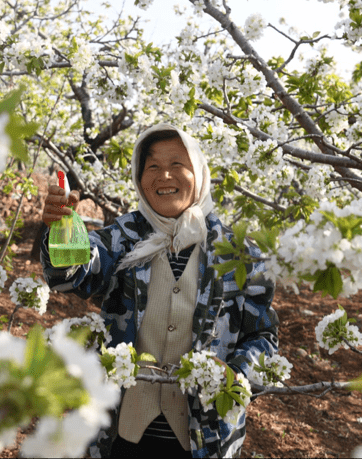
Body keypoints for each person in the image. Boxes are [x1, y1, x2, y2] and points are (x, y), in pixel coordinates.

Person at [39, 123, 279, 458]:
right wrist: (61, 229)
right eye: (152, 166)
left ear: (199, 173)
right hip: (122, 432)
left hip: (203, 437)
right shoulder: (123, 236)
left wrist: (237, 375)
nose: (164, 176)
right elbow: (76, 273)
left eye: (177, 165)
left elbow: (263, 335)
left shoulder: (238, 253)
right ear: (139, 179)